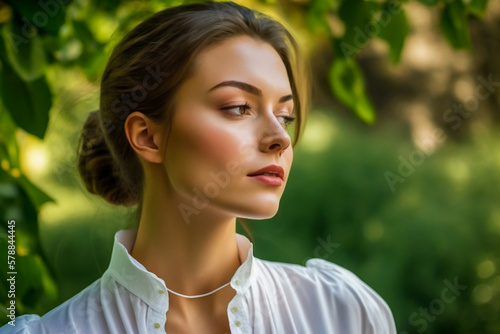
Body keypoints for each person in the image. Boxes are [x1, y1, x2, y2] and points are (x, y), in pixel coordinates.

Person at [1, 1, 397, 333]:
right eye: (238, 108)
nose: (280, 138)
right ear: (148, 136)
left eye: (286, 115)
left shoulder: (341, 312)